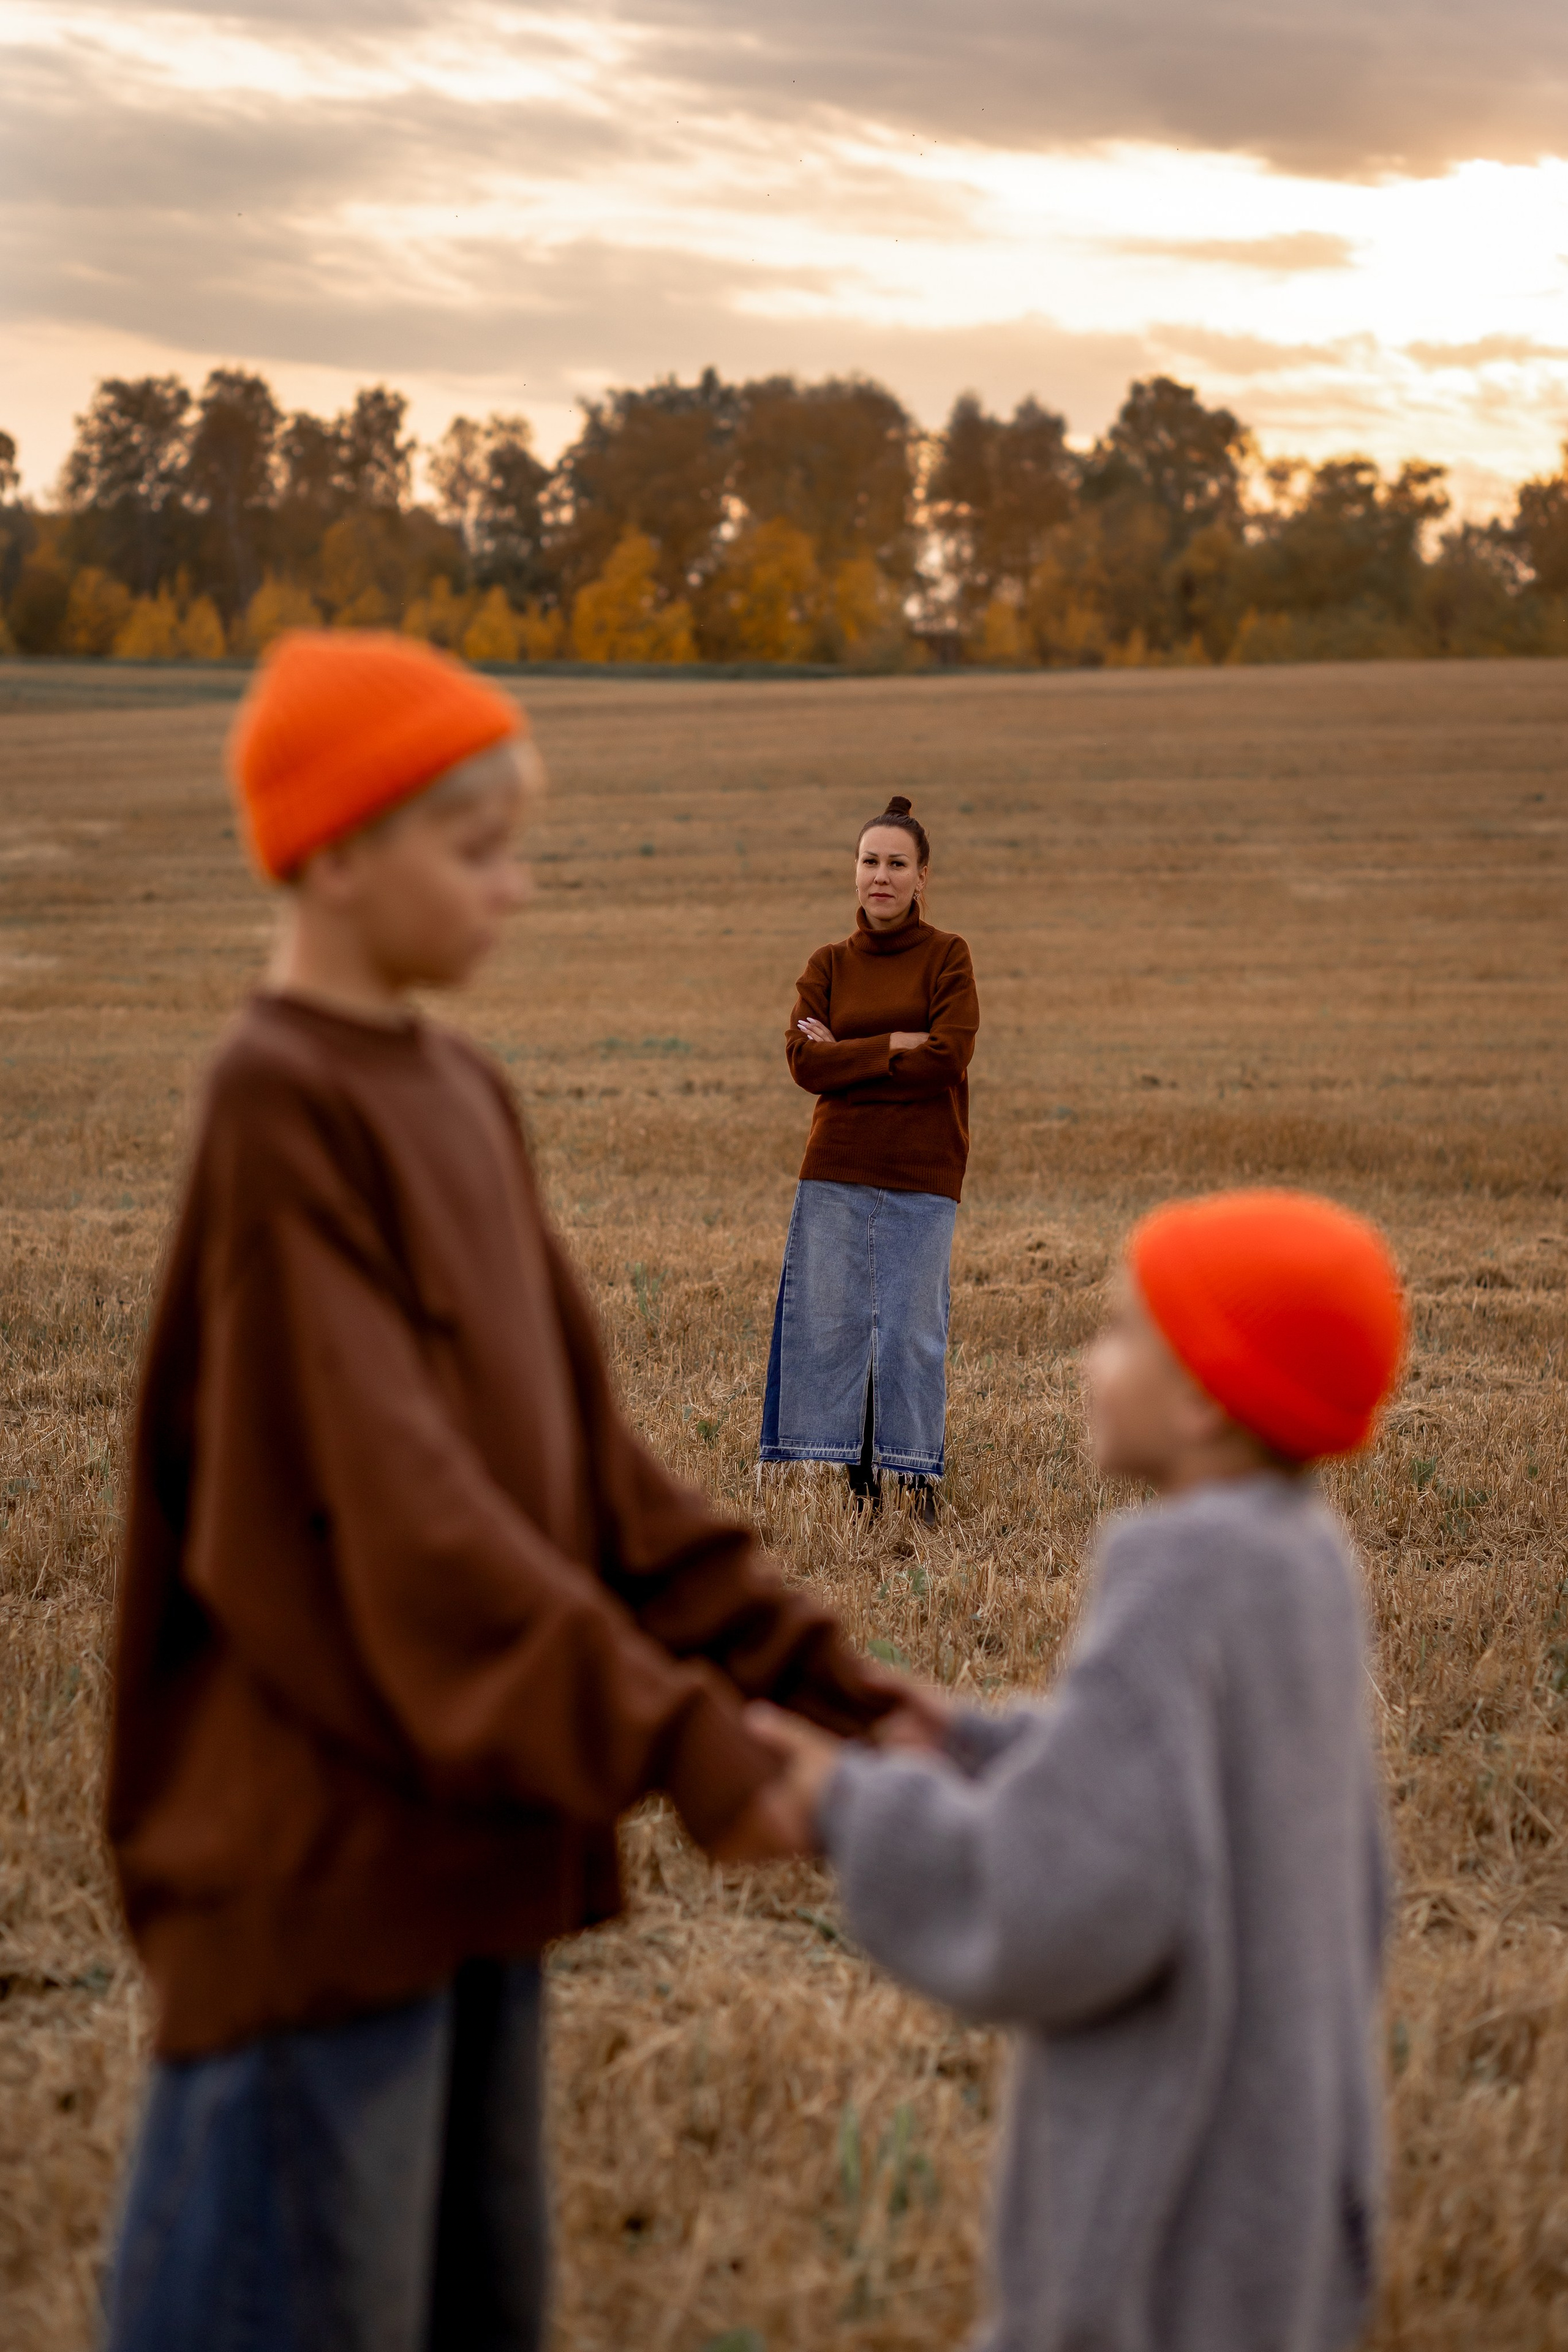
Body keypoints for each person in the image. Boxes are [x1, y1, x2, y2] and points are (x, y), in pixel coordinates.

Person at [101, 630, 911, 2352]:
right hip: (320, 1888)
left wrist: (827, 1683)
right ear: (331, 851)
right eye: (474, 848)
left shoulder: (458, 1089)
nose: (517, 890)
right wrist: (688, 1744)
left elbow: (590, 1480)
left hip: (475, 1864)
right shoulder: (280, 1104)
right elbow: (404, 1521)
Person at [752, 1188, 1406, 2352]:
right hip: (1284, 2197)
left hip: (1166, 2235)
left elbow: (1060, 1893)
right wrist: (962, 1739)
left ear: (1204, 1397)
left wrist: (848, 1805)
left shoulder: (1177, 1571)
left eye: (1118, 1333)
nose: (1086, 1362)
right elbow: (1170, 1788)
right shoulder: (1302, 1563)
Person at [759, 794, 979, 1520]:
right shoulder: (827, 964)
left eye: (895, 863)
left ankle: (915, 1481)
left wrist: (847, 1056)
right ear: (853, 871)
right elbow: (801, 1062)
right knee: (836, 1325)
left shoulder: (948, 958)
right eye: (868, 861)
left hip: (923, 1171)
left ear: (922, 877)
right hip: (835, 1171)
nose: (879, 876)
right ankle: (857, 1483)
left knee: (914, 1331)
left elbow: (947, 1059)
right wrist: (891, 1046)